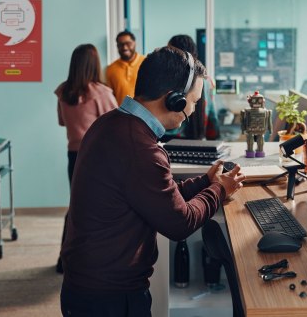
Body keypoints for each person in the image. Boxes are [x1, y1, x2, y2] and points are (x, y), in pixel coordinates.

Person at [59, 46, 245, 317]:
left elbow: (154, 197)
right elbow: (180, 223)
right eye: (193, 101)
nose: (193, 111)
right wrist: (219, 190)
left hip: (87, 286)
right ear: (174, 100)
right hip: (109, 297)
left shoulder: (112, 123)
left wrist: (205, 181)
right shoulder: (139, 146)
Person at [55, 43, 117, 273]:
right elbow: (115, 124)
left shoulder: (63, 91)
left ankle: (65, 259)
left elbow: (61, 121)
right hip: (97, 157)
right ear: (94, 65)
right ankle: (96, 261)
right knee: (100, 208)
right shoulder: (101, 93)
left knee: (76, 207)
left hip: (73, 155)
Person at [160, 34, 220, 141]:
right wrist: (215, 141)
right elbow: (212, 115)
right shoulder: (206, 80)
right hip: (197, 139)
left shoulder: (167, 77)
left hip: (168, 139)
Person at [105, 30, 146, 105]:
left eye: (128, 43)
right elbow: (109, 97)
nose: (124, 47)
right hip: (121, 115)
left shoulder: (146, 63)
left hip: (144, 114)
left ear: (134, 43)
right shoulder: (110, 69)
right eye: (120, 44)